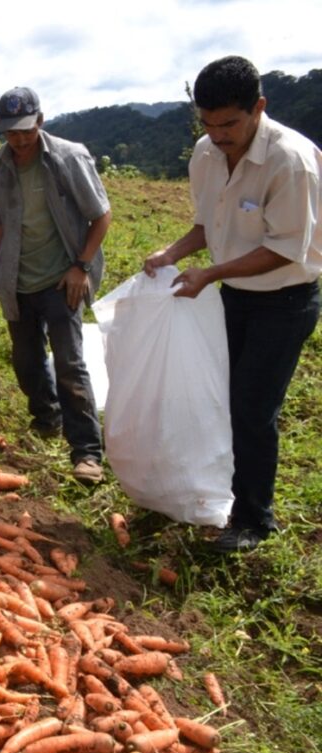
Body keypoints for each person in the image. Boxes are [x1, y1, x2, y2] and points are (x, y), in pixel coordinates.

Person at [143, 56, 321, 552]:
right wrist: (172, 253)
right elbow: (210, 225)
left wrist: (211, 274)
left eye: (229, 124)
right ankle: (223, 492)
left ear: (258, 107)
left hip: (286, 302)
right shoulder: (205, 153)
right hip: (235, 297)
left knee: (253, 408)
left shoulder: (291, 160)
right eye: (208, 124)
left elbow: (284, 249)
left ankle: (255, 519)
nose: (218, 135)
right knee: (222, 399)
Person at [0, 87, 112, 485]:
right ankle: (47, 418)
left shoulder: (68, 157)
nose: (18, 139)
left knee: (70, 364)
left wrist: (80, 267)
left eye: (25, 130)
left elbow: (101, 216)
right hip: (17, 279)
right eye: (10, 132)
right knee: (26, 361)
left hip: (61, 280)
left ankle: (86, 452)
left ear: (40, 120)